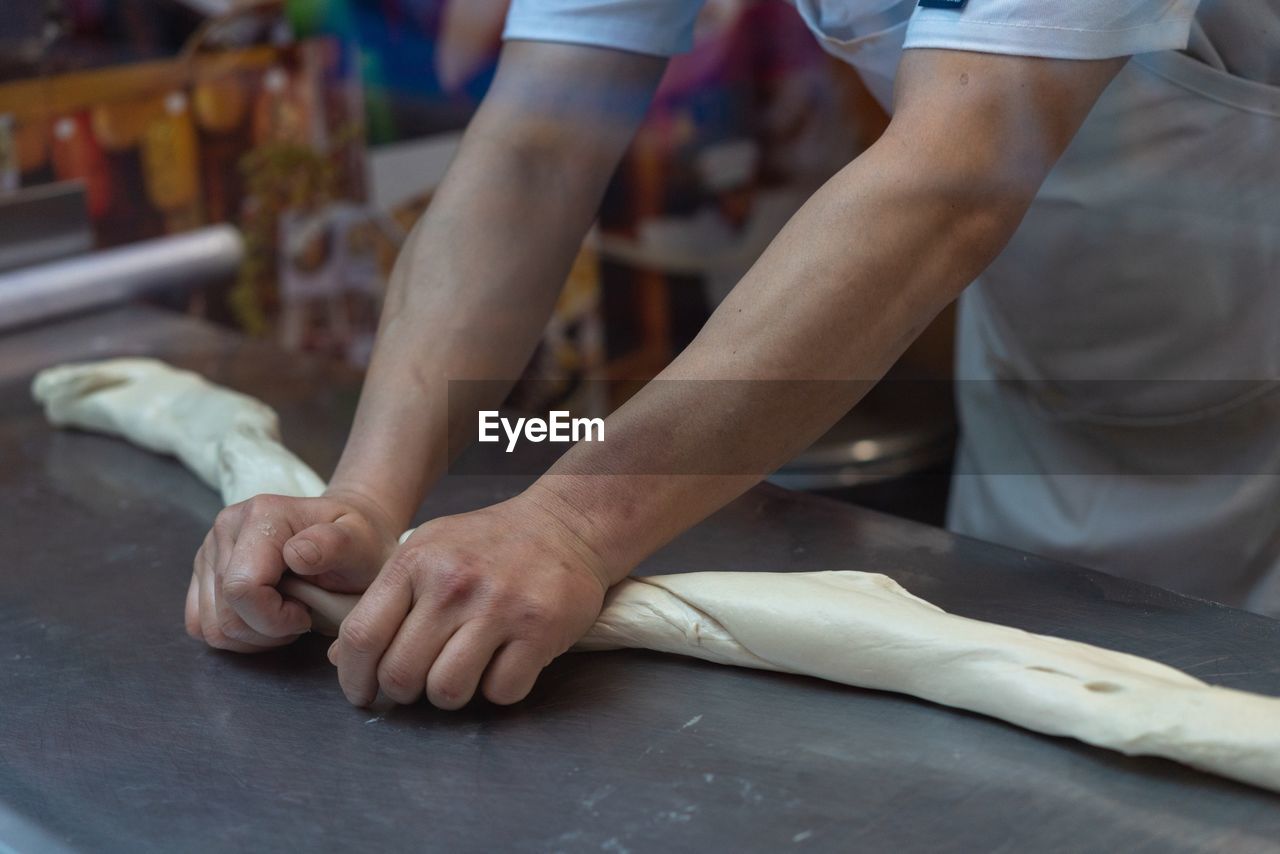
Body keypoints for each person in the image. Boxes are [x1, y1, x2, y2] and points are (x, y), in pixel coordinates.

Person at [186, 0, 1280, 709]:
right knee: (1073, 735)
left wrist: (568, 520)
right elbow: (534, 145)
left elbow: (954, 177)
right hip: (1060, 377)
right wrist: (366, 499)